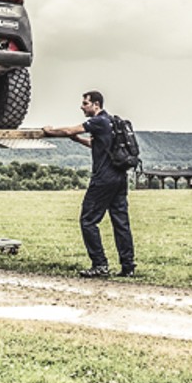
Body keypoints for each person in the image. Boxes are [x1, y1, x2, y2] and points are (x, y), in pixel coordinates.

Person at [43, 90, 136, 278]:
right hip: (120, 177)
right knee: (121, 222)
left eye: (85, 103)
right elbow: (97, 145)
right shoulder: (111, 122)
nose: (82, 106)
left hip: (103, 179)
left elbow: (70, 130)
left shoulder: (98, 121)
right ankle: (128, 266)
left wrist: (49, 131)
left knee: (88, 220)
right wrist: (78, 141)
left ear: (96, 105)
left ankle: (99, 264)